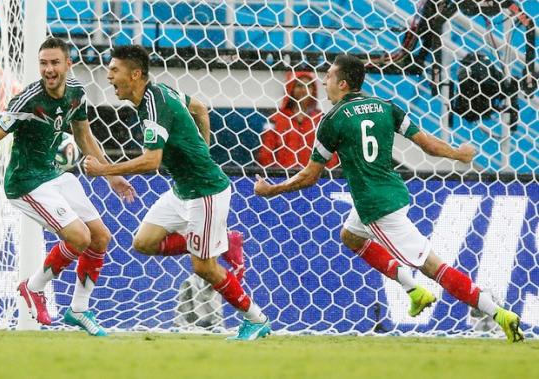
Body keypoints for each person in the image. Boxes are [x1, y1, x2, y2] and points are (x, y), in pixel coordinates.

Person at [254, 54, 524, 343]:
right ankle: (414, 290)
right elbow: (428, 145)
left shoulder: (331, 121)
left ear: (343, 83)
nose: (324, 81)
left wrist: (272, 190)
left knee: (434, 268)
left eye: (329, 76)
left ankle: (498, 313)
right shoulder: (386, 107)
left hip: (376, 206)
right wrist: (457, 154)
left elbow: (309, 176)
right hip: (391, 192)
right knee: (350, 236)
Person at [83, 45, 271, 341]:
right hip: (182, 190)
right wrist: (202, 149)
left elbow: (151, 161)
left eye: (114, 70)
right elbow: (200, 109)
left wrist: (105, 170)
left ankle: (255, 318)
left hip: (206, 192)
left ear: (135, 74)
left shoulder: (154, 105)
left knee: (204, 267)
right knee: (143, 242)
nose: (108, 76)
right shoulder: (158, 92)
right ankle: (216, 240)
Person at [0, 37, 136, 336]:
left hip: (54, 173)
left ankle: (79, 310)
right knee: (79, 238)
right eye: (44, 63)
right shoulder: (27, 100)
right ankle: (33, 287)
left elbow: (84, 137)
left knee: (100, 237)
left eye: (54, 62)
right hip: (25, 183)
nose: (49, 69)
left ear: (67, 64)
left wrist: (111, 174)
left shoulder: (76, 93)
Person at [258, 71, 339, 169]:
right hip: (282, 177)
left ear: (313, 90)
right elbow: (265, 154)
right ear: (290, 89)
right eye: (299, 85)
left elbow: (331, 155)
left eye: (308, 86)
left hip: (314, 178)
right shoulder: (276, 119)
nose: (304, 90)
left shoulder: (321, 120)